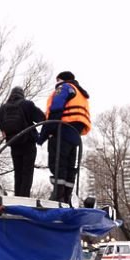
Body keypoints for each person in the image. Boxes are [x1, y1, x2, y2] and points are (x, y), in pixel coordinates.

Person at [37, 71, 91, 203]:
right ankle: (67, 197)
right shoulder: (81, 94)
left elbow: (55, 110)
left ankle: (58, 195)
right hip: (74, 135)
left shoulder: (64, 88)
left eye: (57, 81)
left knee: (57, 164)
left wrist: (42, 136)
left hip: (61, 130)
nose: (56, 84)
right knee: (69, 166)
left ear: (60, 80)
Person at [0, 86, 45, 197]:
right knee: (27, 173)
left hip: (14, 144)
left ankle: (17, 198)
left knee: (17, 173)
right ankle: (24, 199)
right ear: (22, 95)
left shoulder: (2, 108)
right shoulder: (27, 104)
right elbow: (41, 118)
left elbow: (1, 124)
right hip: (28, 143)